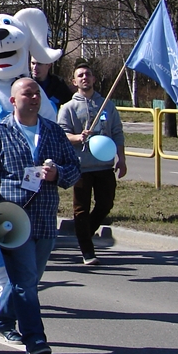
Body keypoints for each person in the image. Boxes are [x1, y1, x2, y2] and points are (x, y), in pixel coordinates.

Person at [0, 78, 80, 354]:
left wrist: (59, 175)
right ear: (13, 100)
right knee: (26, 278)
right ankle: (35, 338)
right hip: (11, 220)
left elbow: (74, 168)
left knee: (28, 278)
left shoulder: (54, 132)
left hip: (43, 216)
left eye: (36, 94)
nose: (34, 98)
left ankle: (3, 318)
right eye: (27, 94)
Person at [57, 61, 127, 265]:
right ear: (74, 81)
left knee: (106, 204)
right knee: (81, 209)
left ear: (94, 79)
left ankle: (85, 233)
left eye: (88, 74)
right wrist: (78, 138)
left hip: (104, 166)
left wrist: (121, 159)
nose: (84, 78)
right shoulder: (68, 108)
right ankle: (87, 251)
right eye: (80, 75)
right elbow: (61, 135)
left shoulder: (106, 105)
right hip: (81, 167)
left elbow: (117, 133)